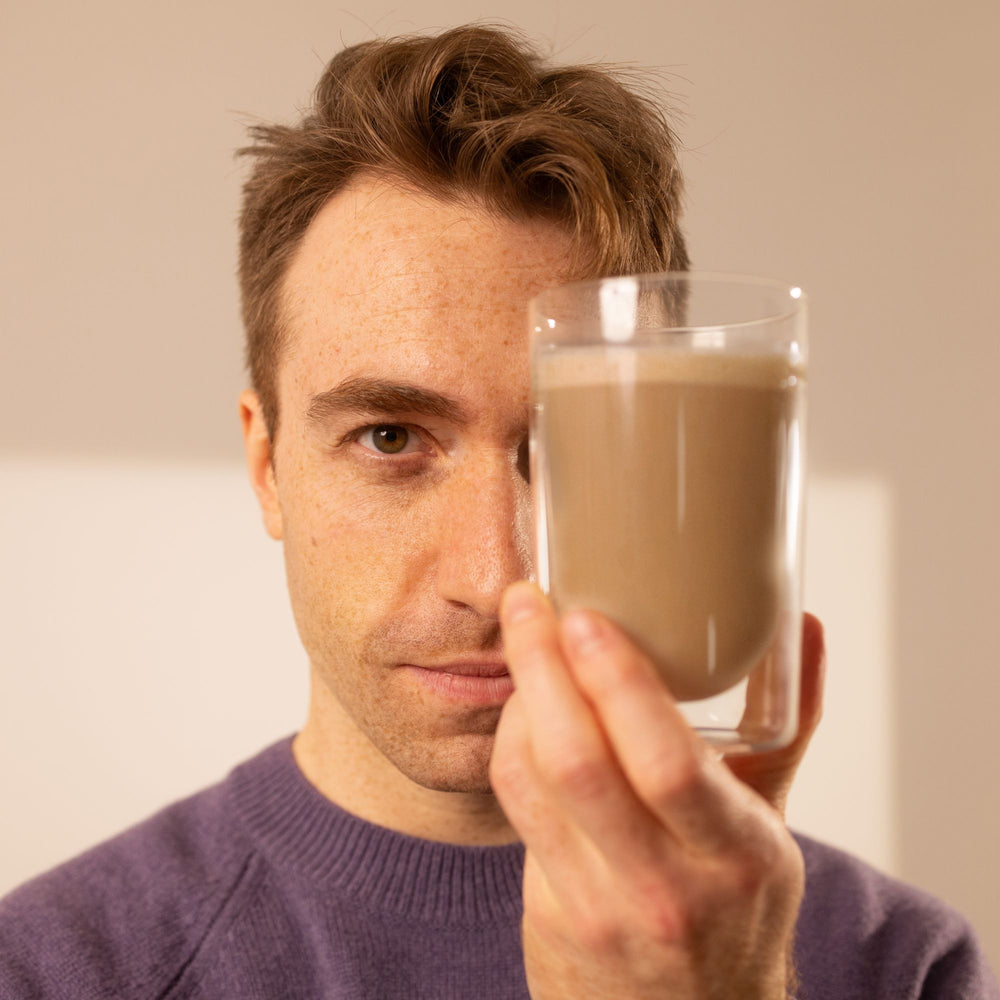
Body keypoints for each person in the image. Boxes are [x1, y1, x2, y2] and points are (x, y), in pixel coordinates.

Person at [0, 23, 996, 1000]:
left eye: (562, 449)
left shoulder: (901, 966)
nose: (495, 574)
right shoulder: (51, 969)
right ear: (266, 463)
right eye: (390, 437)